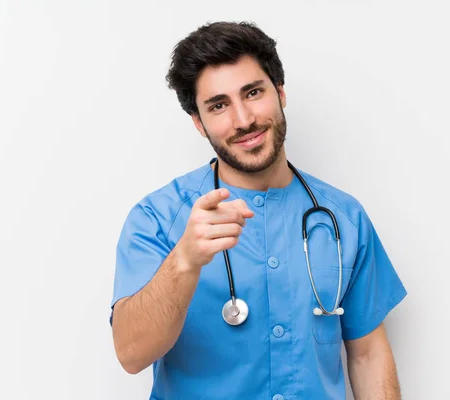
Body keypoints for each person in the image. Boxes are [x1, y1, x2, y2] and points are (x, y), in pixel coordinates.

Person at [110, 21, 408, 400]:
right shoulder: (156, 218)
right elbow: (132, 355)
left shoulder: (343, 221)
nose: (244, 120)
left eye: (253, 92)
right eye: (219, 105)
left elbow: (367, 356)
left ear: (280, 92)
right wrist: (183, 261)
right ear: (199, 124)